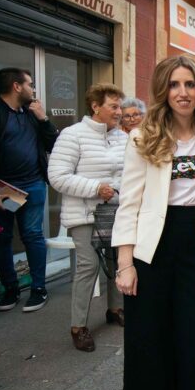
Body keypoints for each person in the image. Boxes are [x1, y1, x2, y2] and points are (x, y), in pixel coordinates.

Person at [112, 55, 195, 390]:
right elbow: (129, 204)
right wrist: (125, 263)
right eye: (174, 85)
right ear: (163, 91)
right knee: (149, 341)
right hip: (152, 248)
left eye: (189, 85)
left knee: (191, 337)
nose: (183, 92)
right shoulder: (144, 138)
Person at [47, 83, 127, 352]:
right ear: (95, 106)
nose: (119, 112)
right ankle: (78, 326)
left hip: (116, 211)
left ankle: (115, 309)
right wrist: (95, 188)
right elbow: (57, 176)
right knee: (88, 266)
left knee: (117, 261)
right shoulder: (73, 135)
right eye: (113, 107)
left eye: (120, 107)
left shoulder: (122, 137)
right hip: (84, 213)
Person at [0, 67, 57, 313]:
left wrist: (43, 118)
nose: (33, 89)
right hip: (4, 190)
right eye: (30, 84)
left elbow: (54, 143)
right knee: (1, 237)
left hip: (33, 185)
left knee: (32, 235)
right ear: (16, 86)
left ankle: (38, 288)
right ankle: (10, 289)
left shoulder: (33, 112)